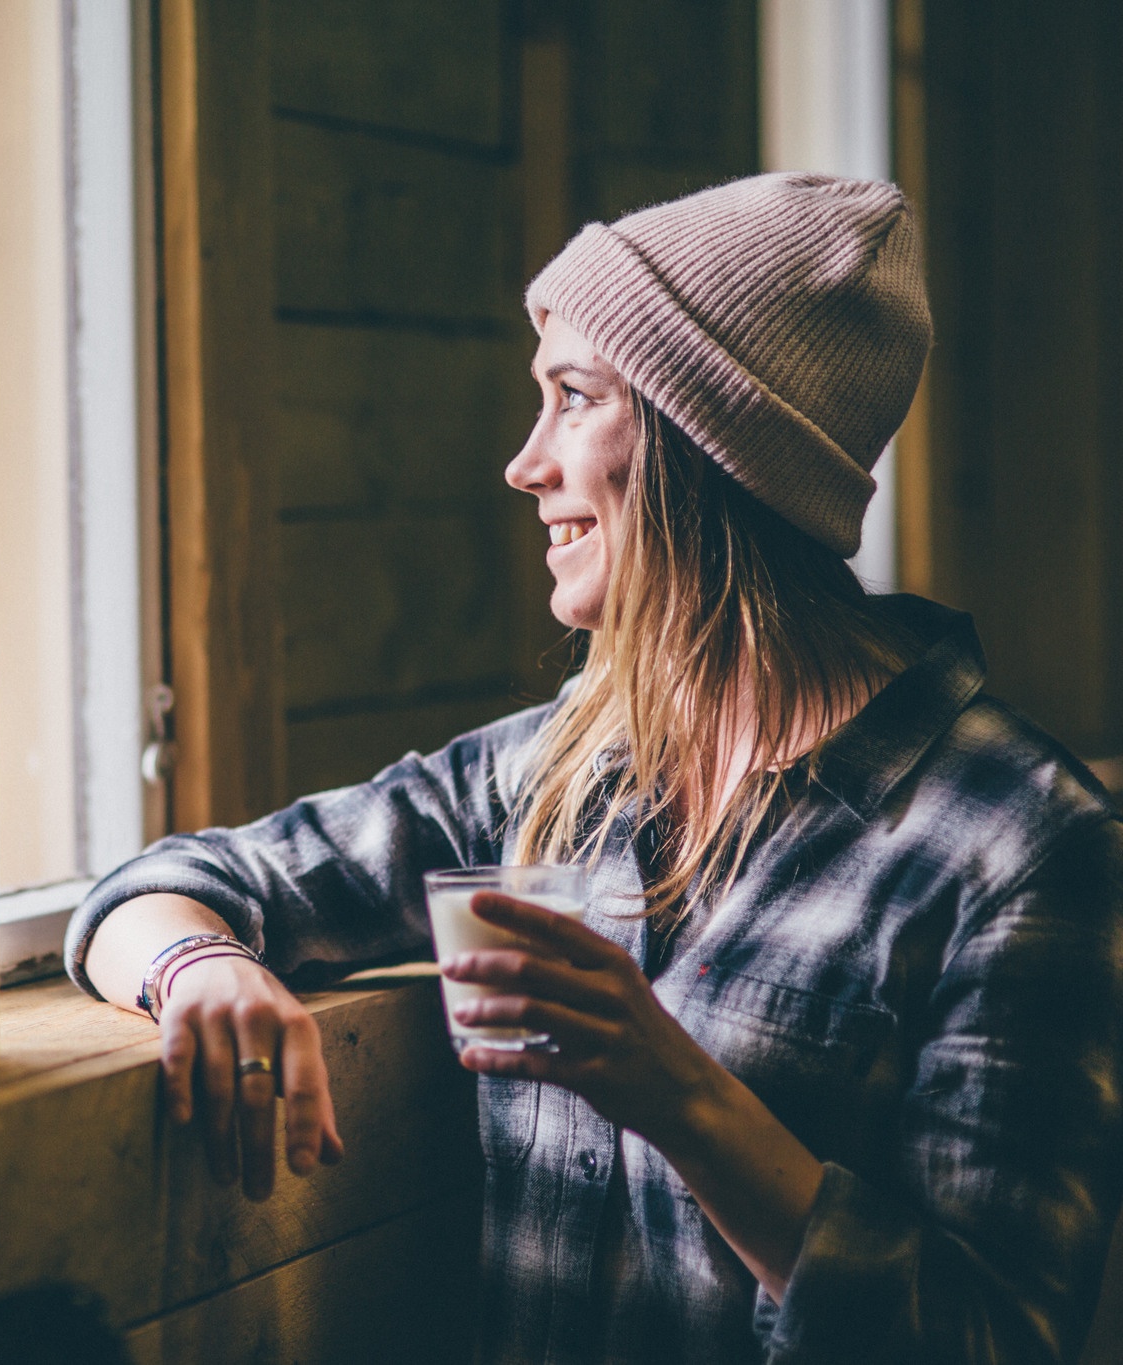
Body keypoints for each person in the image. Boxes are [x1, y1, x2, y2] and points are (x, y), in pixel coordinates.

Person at [65, 173, 1123, 1363]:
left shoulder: (1025, 848)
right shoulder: (567, 766)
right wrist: (200, 967)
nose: (524, 465)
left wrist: (679, 1092)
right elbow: (163, 886)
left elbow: (996, 1339)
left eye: (574, 398)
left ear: (711, 447)